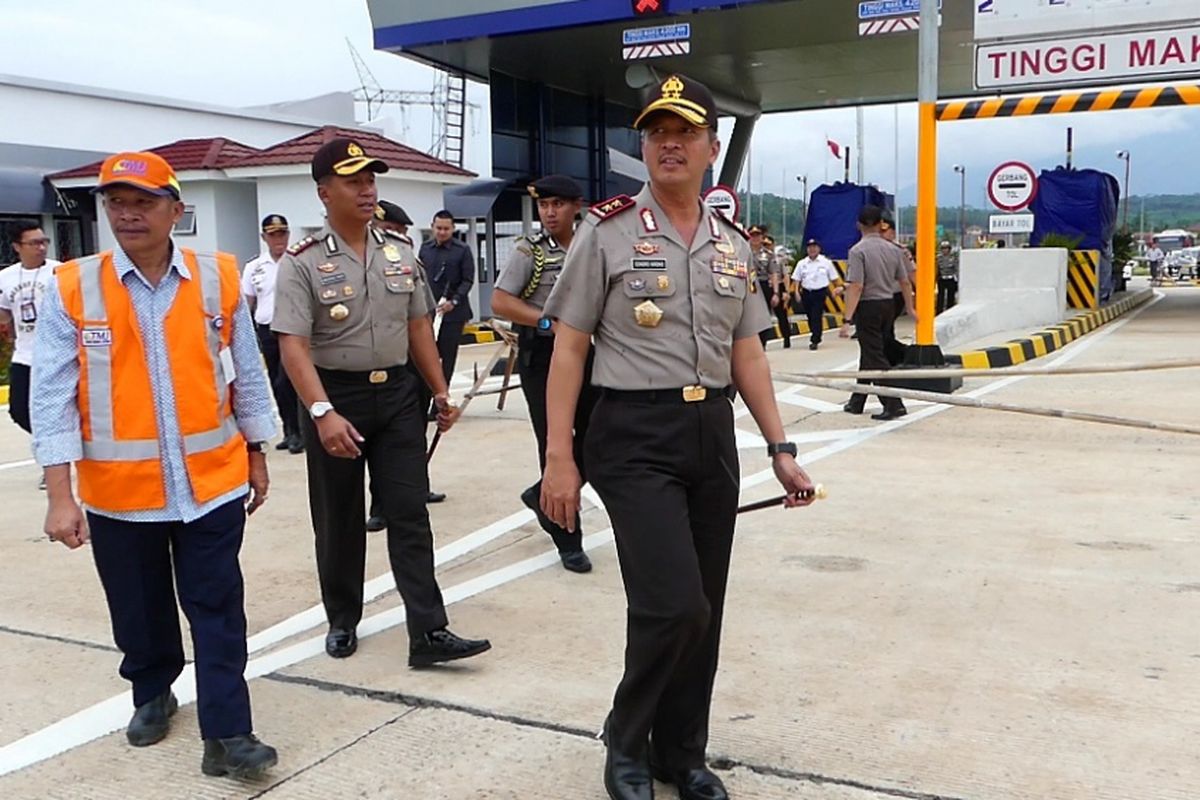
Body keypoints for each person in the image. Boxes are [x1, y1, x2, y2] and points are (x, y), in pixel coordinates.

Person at [539, 74, 818, 800]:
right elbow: (569, 347)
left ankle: (680, 753)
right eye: (658, 131)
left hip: (709, 434)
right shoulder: (605, 232)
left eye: (685, 131)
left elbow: (748, 351)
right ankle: (625, 741)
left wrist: (779, 448)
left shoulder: (731, 243)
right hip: (631, 434)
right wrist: (559, 458)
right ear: (644, 144)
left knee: (707, 605)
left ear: (710, 148)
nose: (670, 143)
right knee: (673, 603)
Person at [30, 151, 278, 778]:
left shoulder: (219, 277)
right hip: (121, 491)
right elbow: (52, 397)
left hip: (211, 482)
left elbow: (245, 373)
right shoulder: (71, 287)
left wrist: (257, 452)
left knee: (218, 606)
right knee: (138, 609)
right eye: (116, 203)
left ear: (175, 209)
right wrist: (61, 496)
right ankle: (152, 690)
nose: (127, 214)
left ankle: (228, 732)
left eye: (142, 202)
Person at [272, 137, 490, 666]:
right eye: (354, 181)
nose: (367, 190)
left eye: (371, 180)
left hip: (396, 395)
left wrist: (440, 390)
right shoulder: (301, 263)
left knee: (409, 510)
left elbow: (419, 327)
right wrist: (321, 414)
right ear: (325, 193)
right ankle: (343, 618)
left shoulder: (399, 253)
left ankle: (428, 632)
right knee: (339, 517)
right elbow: (292, 346)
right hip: (336, 396)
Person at [491, 175, 594, 574]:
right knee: (554, 443)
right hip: (545, 355)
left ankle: (541, 496)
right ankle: (568, 537)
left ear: (576, 206)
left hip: (592, 355)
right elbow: (501, 300)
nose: (549, 213)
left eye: (557, 205)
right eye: (543, 206)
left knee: (597, 438)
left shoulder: (592, 243)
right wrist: (547, 323)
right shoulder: (529, 251)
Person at [367, 199, 446, 529]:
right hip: (385, 363)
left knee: (413, 433)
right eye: (385, 230)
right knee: (376, 440)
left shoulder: (412, 265)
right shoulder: (363, 268)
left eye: (396, 232)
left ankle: (417, 489)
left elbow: (424, 317)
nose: (390, 238)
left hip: (414, 362)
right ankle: (379, 505)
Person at [839, 205, 915, 421]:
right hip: (888, 304)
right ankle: (857, 400)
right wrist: (909, 307)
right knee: (870, 352)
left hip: (868, 306)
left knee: (875, 355)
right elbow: (904, 281)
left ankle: (893, 403)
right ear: (880, 223)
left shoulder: (857, 251)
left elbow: (856, 286)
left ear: (859, 225)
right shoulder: (894, 249)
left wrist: (847, 320)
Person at [242, 214, 302, 454]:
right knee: (277, 383)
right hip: (267, 330)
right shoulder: (254, 267)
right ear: (264, 237)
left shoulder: (297, 261)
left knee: (289, 381)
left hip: (294, 330)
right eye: (273, 235)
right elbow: (247, 302)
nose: (279, 239)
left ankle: (300, 431)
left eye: (283, 234)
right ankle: (289, 430)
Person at [0, 221, 61, 445]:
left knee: (58, 409)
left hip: (56, 354)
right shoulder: (6, 277)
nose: (41, 248)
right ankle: (52, 445)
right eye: (34, 243)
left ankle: (54, 456)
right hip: (24, 356)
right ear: (17, 247)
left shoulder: (60, 271)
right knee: (19, 410)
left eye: (44, 242)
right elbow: (5, 313)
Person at [419, 209, 475, 400]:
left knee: (447, 359)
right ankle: (425, 399)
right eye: (438, 228)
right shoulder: (425, 249)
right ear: (432, 227)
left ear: (453, 229)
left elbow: (468, 280)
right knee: (427, 357)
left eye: (446, 229)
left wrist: (455, 301)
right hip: (429, 312)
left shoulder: (462, 250)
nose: (442, 232)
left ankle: (441, 400)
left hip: (453, 314)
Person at [790, 238, 840, 351]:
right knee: (810, 316)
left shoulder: (826, 263)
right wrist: (797, 292)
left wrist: (837, 288)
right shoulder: (802, 263)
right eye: (810, 247)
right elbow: (797, 279)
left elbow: (834, 278)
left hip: (820, 292)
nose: (812, 249)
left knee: (816, 315)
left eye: (814, 247)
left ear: (819, 249)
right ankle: (815, 333)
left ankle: (815, 339)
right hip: (807, 292)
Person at [747, 224, 776, 347]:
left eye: (757, 235)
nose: (755, 238)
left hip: (763, 286)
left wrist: (776, 293)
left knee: (764, 317)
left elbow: (774, 273)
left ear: (762, 237)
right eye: (752, 235)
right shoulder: (742, 251)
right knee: (748, 317)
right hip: (748, 285)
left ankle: (762, 344)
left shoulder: (768, 254)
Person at [936, 240, 959, 313]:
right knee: (940, 296)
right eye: (943, 248)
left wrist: (957, 278)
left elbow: (956, 268)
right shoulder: (938, 258)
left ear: (949, 249)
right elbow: (937, 268)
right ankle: (939, 312)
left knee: (950, 296)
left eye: (946, 248)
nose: (944, 250)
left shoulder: (953, 257)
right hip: (942, 278)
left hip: (950, 278)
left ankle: (950, 311)